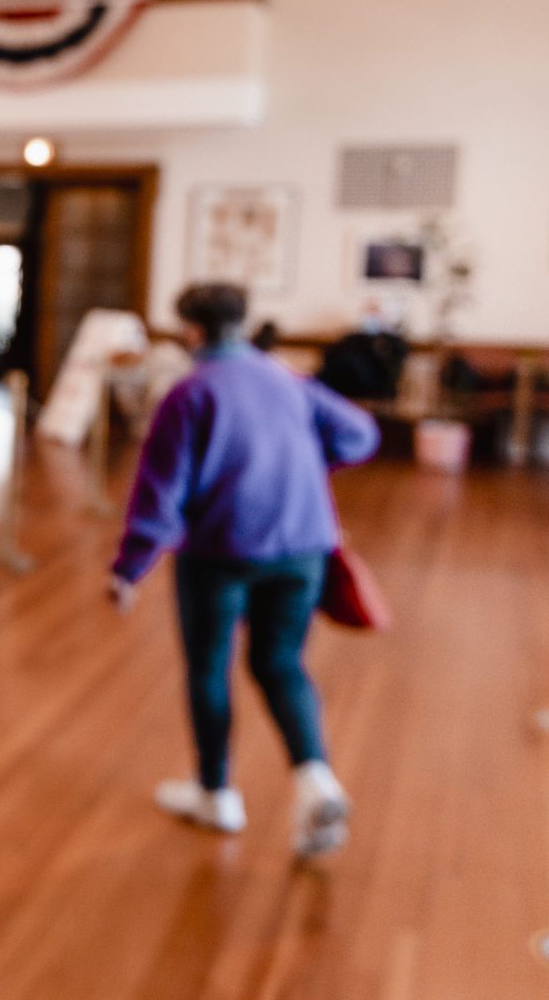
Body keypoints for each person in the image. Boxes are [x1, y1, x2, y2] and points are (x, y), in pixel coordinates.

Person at [107, 283, 380, 856]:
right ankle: (316, 780)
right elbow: (359, 434)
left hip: (220, 553)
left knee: (210, 666)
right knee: (281, 663)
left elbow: (160, 497)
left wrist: (128, 569)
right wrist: (307, 467)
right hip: (303, 545)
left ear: (190, 331)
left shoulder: (189, 394)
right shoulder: (286, 379)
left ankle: (216, 794)